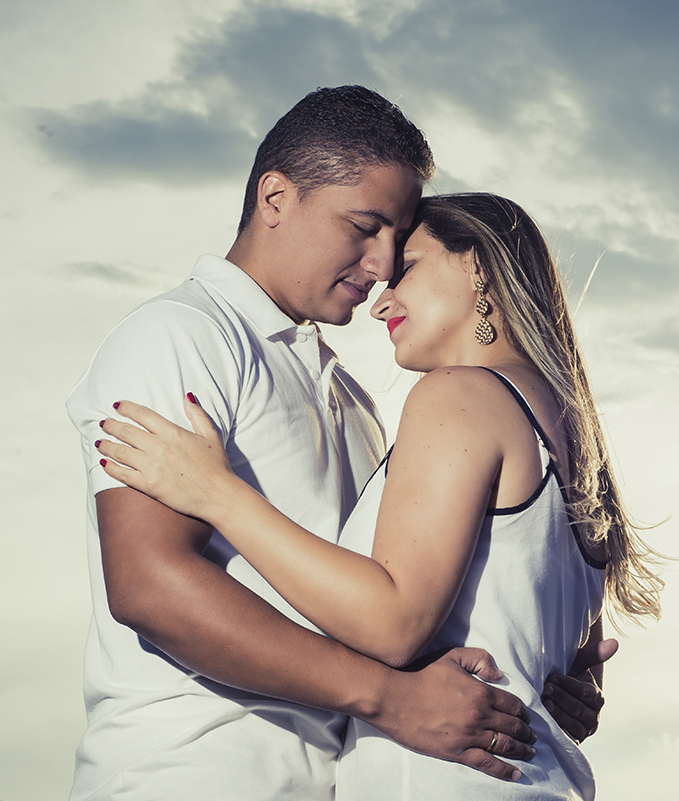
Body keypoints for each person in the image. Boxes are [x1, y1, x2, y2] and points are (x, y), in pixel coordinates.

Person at [66, 88, 604, 800]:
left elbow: (401, 602)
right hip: (191, 772)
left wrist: (544, 670)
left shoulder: (359, 403)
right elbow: (148, 585)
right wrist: (388, 696)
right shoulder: (181, 335)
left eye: (400, 241)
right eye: (364, 225)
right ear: (276, 197)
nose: (382, 263)